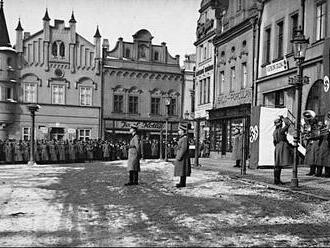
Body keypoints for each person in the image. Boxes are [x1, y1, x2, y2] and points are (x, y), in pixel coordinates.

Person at [273, 116, 292, 185]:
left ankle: (276, 180)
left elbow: (274, 142)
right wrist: (284, 118)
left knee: (277, 164)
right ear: (280, 123)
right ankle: (277, 180)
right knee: (279, 165)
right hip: (282, 146)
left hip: (277, 147)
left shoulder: (274, 131)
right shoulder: (281, 130)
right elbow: (288, 124)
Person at [174, 123, 191, 188]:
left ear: (182, 131)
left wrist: (179, 156)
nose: (178, 132)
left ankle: (182, 183)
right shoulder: (182, 138)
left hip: (183, 158)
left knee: (183, 171)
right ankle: (181, 182)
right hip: (182, 157)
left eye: (179, 130)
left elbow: (183, 148)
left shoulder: (184, 138)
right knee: (182, 171)